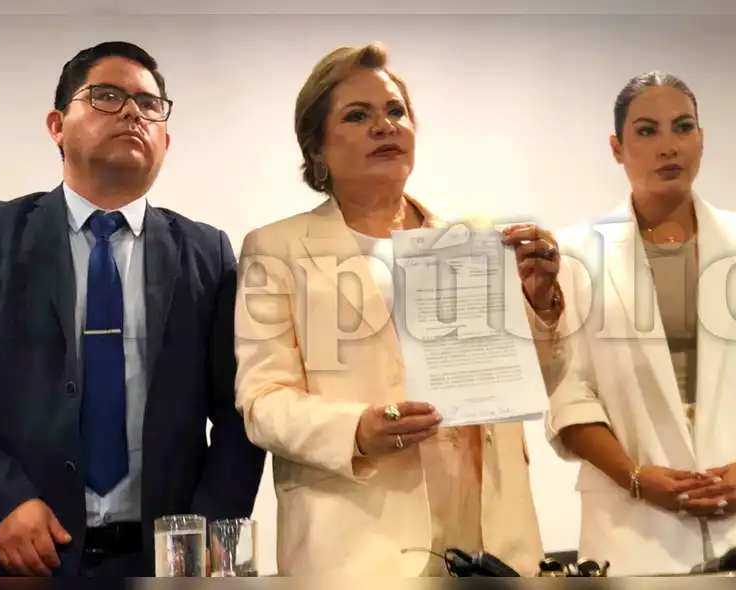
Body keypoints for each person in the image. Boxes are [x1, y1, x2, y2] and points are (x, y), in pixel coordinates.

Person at [0, 41, 266, 577]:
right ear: (57, 124)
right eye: (107, 96)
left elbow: (240, 409)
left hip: (162, 562)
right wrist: (0, 500)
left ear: (166, 137)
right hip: (16, 556)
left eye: (149, 104)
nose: (131, 112)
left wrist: (209, 533)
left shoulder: (206, 253)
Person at [233, 42, 568, 577]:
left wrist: (541, 302)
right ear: (316, 148)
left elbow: (541, 382)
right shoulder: (275, 247)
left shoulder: (471, 241)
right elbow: (262, 402)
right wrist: (357, 429)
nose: (384, 126)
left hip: (487, 537)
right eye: (357, 115)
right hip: (357, 541)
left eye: (396, 112)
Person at [546, 71, 736, 576]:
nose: (668, 146)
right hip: (632, 516)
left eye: (683, 127)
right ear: (616, 147)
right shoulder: (576, 252)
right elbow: (569, 392)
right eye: (646, 131)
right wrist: (636, 478)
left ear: (702, 139)